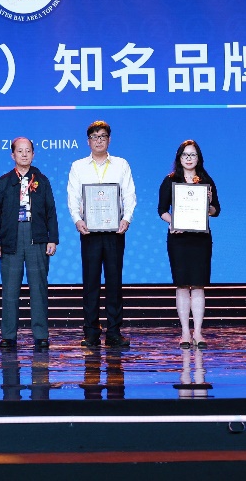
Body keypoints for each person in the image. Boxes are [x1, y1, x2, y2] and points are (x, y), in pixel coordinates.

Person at [66, 120, 137, 349]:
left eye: (103, 136)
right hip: (89, 231)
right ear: (88, 141)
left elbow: (129, 195)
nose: (99, 141)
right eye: (94, 137)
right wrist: (77, 220)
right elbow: (73, 196)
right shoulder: (78, 166)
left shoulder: (121, 164)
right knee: (91, 283)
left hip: (116, 231)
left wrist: (127, 218)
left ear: (109, 140)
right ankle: (91, 332)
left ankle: (114, 332)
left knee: (114, 283)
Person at [0, 137, 59, 351]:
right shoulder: (3, 182)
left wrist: (52, 238)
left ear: (33, 154)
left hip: (37, 237)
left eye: (28, 151)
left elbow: (51, 212)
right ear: (13, 155)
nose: (24, 154)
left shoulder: (42, 181)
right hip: (11, 238)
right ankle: (8, 335)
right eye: (20, 151)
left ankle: (41, 335)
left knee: (39, 289)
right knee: (10, 290)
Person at [157, 139, 221, 349]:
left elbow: (216, 211)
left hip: (200, 239)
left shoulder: (206, 180)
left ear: (198, 158)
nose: (189, 158)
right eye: (185, 155)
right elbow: (162, 210)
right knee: (183, 285)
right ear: (179, 158)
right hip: (179, 239)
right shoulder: (170, 180)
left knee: (199, 285)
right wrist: (173, 222)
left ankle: (199, 332)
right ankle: (185, 332)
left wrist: (208, 203)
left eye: (193, 155)